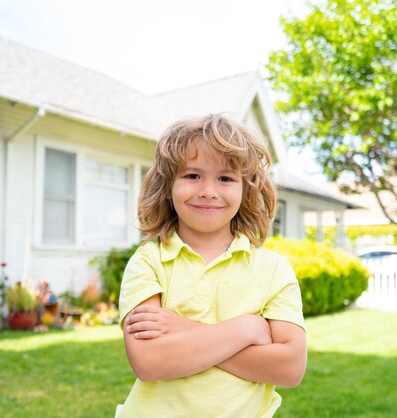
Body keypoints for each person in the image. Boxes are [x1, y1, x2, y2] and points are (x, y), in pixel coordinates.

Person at [116, 114, 307, 418]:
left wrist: (185, 329)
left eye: (225, 178)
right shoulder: (149, 261)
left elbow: (290, 367)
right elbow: (150, 362)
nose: (208, 190)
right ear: (168, 186)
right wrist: (247, 329)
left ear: (246, 189)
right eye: (192, 175)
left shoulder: (273, 270)